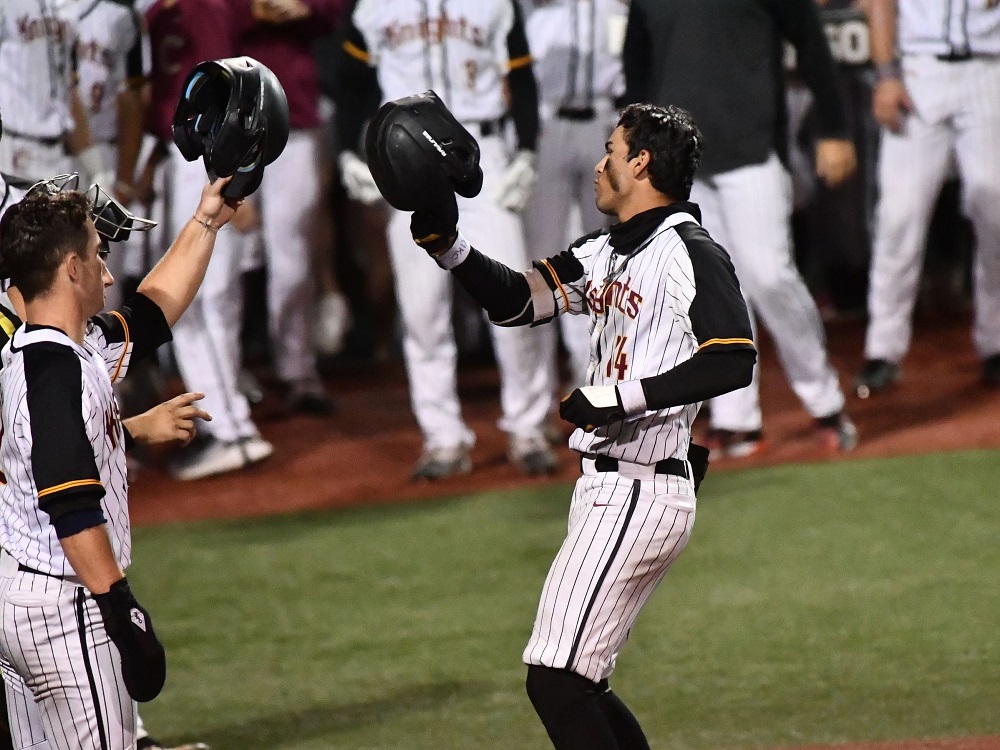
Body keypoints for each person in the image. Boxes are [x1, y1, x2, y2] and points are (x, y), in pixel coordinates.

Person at [399, 101, 754, 749]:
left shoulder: (689, 253)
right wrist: (451, 248)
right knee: (578, 680)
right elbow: (519, 300)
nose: (597, 165)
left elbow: (733, 356)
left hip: (642, 489)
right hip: (610, 491)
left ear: (641, 164)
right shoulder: (607, 249)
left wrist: (622, 399)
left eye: (611, 152)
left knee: (555, 680)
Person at [0, 171, 239, 749]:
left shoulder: (45, 349)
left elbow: (151, 314)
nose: (108, 271)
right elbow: (71, 504)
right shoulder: (54, 374)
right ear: (71, 270)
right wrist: (120, 607)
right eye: (96, 255)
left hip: (18, 592)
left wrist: (206, 219)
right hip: (66, 602)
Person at [623, 0, 859, 458]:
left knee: (770, 276)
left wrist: (835, 128)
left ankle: (825, 401)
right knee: (709, 291)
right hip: (680, 165)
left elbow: (811, 44)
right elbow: (638, 69)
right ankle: (736, 418)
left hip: (749, 151)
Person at [335, 0, 560, 479]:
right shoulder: (373, 6)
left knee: (513, 300)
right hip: (403, 165)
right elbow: (351, 83)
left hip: (482, 151)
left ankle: (527, 427)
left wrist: (526, 150)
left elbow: (521, 77)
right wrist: (346, 152)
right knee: (422, 313)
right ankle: (442, 438)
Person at [143, 0, 274, 481]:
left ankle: (233, 431)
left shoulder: (206, 7)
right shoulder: (162, 11)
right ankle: (229, 425)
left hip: (205, 159)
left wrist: (230, 173)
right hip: (186, 160)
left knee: (202, 301)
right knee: (197, 302)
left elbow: (226, 93)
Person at [853, 0, 1000, 396]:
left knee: (995, 213)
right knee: (899, 216)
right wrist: (886, 73)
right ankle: (882, 349)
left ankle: (996, 342)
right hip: (920, 69)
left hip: (990, 67)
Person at [231, 0, 344, 414]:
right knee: (231, 260)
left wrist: (303, 8)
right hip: (231, 121)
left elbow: (333, 12)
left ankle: (298, 371)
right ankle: (229, 372)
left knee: (292, 257)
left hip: (293, 118)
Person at [522, 0, 628, 396]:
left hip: (605, 117)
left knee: (603, 261)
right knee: (540, 263)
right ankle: (537, 388)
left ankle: (596, 380)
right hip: (545, 119)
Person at [0, 0, 111, 188]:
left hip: (58, 155)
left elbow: (66, 91)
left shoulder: (63, 9)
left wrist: (96, 170)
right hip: (13, 150)